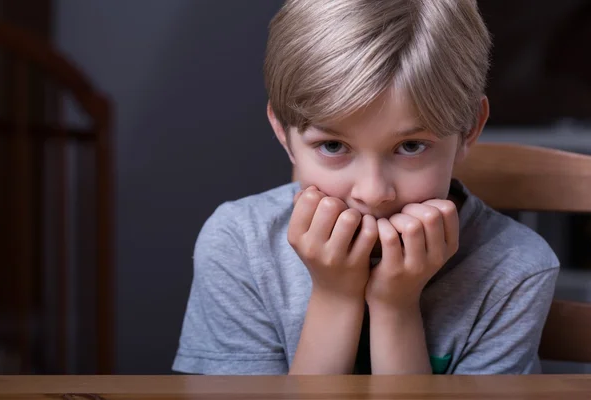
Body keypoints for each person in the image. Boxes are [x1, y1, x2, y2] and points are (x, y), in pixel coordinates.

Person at [173, 0, 559, 375]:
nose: (373, 193)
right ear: (283, 134)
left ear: (469, 129)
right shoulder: (240, 243)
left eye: (410, 146)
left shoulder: (515, 269)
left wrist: (396, 307)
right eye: (333, 146)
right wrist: (335, 296)